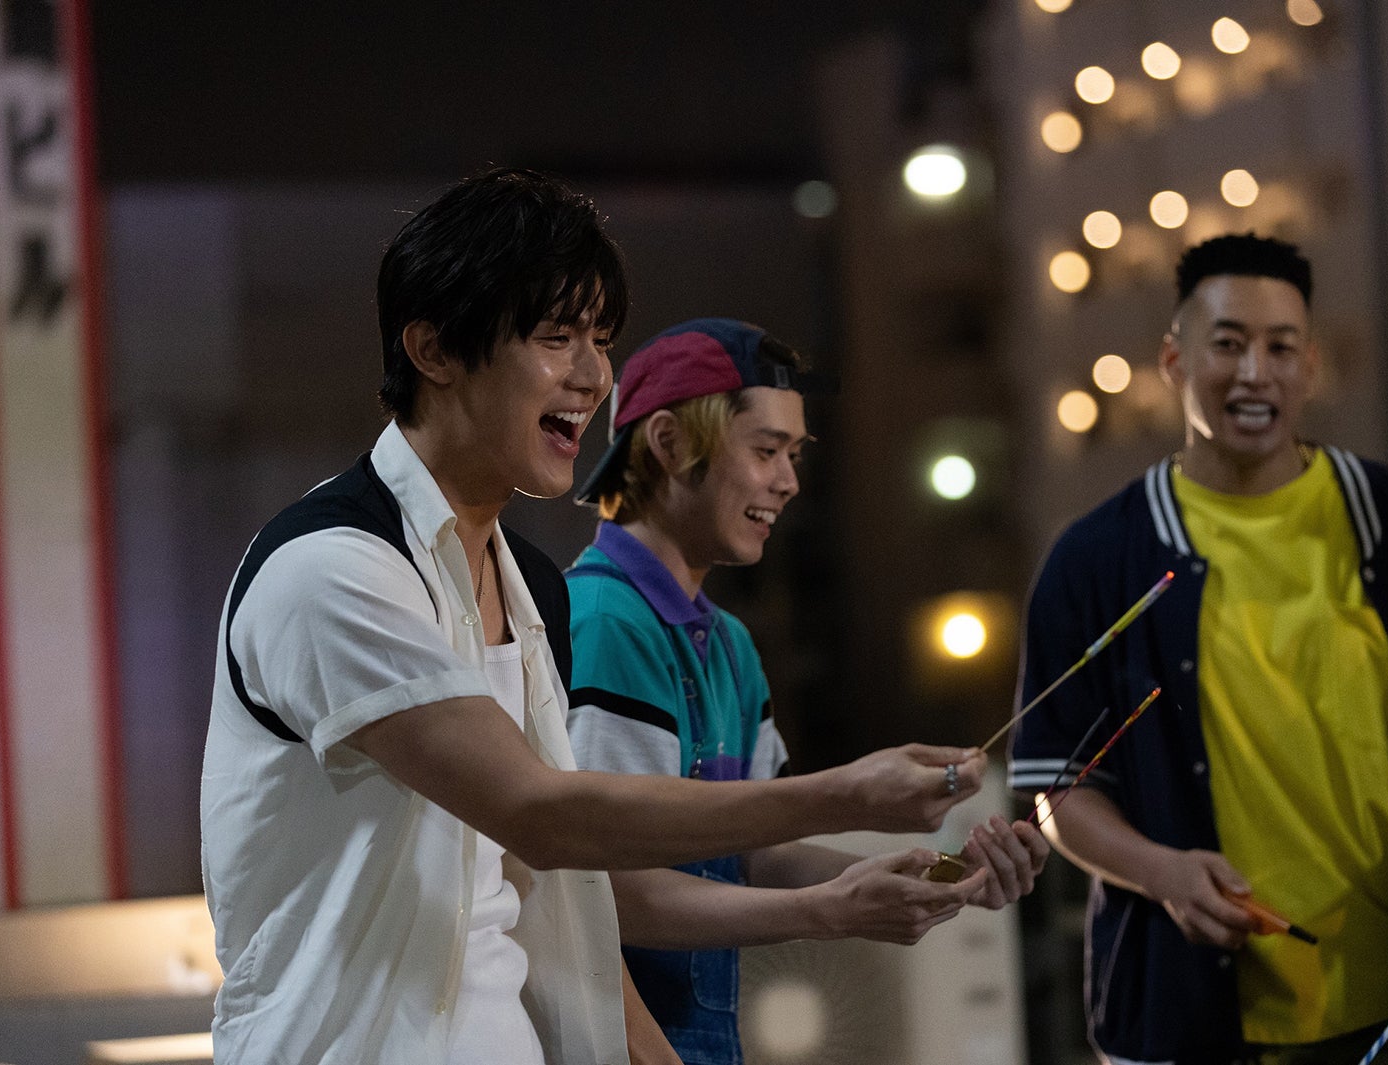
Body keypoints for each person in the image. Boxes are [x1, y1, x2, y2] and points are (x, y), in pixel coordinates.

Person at [200, 168, 990, 1065]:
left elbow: (556, 900)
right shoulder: (331, 567)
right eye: (556, 337)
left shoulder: (537, 587)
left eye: (601, 340)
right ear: (433, 349)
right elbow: (544, 817)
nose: (592, 375)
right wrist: (847, 800)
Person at [1008, 234, 1388, 1065]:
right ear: (1174, 360)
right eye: (1228, 343)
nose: (1255, 372)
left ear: (1310, 365)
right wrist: (1161, 872)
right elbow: (1058, 787)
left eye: (1281, 347)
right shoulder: (1097, 559)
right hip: (1189, 1016)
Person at [565, 318, 1050, 1064]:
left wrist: (936, 876)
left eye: (793, 454)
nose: (789, 481)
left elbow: (758, 856)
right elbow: (606, 895)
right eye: (765, 450)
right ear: (667, 442)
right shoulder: (606, 620)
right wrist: (830, 906)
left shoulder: (728, 642)